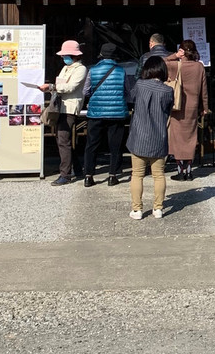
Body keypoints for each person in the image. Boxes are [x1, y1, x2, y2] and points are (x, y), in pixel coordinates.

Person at [126, 55, 175, 220]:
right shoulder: (168, 91)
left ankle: (137, 210)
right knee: (159, 175)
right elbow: (168, 110)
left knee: (137, 174)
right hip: (158, 136)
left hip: (139, 136)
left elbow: (132, 99)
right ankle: (158, 208)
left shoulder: (139, 85)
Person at [82, 42, 134, 187]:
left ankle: (88, 176)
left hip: (96, 112)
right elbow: (127, 92)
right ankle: (112, 175)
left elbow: (85, 91)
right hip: (116, 113)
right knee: (115, 145)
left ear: (101, 55)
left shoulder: (92, 70)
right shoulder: (121, 71)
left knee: (91, 145)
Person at [41, 40, 87, 186]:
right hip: (60, 106)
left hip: (70, 108)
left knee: (63, 140)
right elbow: (61, 85)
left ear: (74, 55)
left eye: (66, 55)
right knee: (62, 139)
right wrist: (54, 87)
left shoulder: (81, 69)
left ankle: (65, 174)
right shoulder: (66, 68)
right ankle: (76, 169)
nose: (63, 58)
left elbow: (70, 87)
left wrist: (51, 87)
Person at [166, 39, 208, 181]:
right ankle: (189, 171)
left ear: (182, 51)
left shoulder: (175, 65)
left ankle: (180, 171)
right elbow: (204, 90)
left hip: (177, 107)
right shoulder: (199, 67)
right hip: (192, 107)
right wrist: (204, 107)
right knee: (190, 138)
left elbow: (162, 62)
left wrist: (175, 55)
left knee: (177, 139)